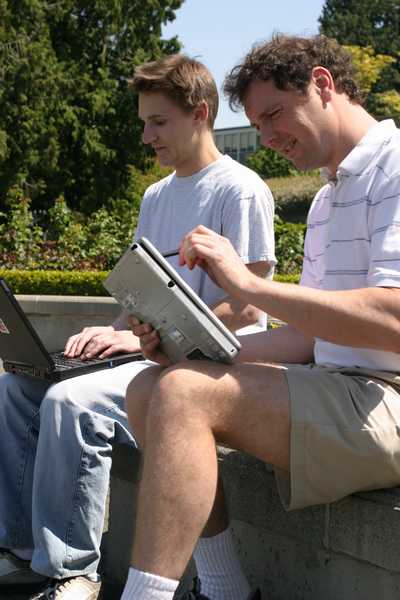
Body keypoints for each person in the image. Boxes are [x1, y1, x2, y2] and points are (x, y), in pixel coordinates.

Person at [121, 34, 400, 600]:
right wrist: (190, 350)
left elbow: (393, 320)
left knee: (184, 394)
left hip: (386, 397)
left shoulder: (394, 166)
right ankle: (225, 590)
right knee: (150, 386)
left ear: (322, 85)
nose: (268, 137)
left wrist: (249, 285)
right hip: (341, 385)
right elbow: (307, 339)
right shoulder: (327, 197)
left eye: (274, 114)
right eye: (256, 123)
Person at [0, 55, 275, 599]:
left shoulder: (240, 189)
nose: (147, 136)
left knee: (72, 402)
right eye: (144, 122)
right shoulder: (156, 196)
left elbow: (247, 309)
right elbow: (139, 294)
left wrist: (143, 337)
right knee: (15, 386)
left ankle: (73, 571)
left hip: (210, 368)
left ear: (199, 114)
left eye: (158, 122)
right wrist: (111, 333)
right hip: (150, 355)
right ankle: (18, 551)